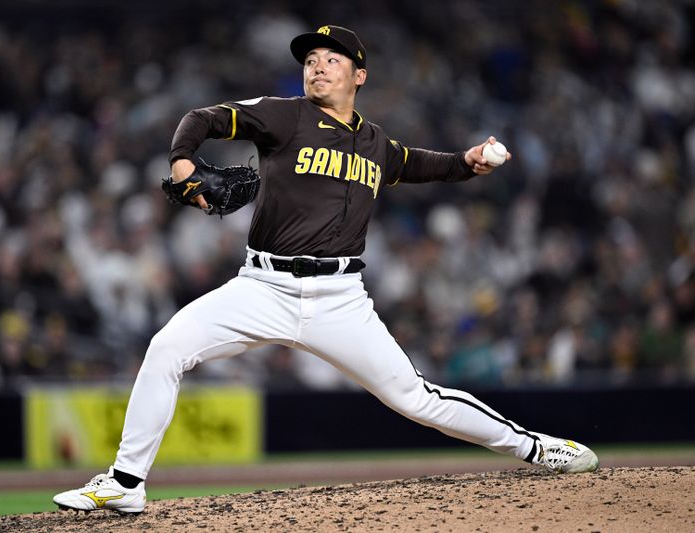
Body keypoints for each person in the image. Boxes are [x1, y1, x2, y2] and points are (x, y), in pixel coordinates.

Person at [53, 25, 598, 515]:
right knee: (167, 347)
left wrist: (467, 162)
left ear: (359, 75)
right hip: (262, 286)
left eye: (331, 59)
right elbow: (203, 119)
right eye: (310, 58)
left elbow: (418, 164)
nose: (316, 65)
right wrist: (182, 162)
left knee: (415, 398)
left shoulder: (375, 142)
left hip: (340, 298)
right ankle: (126, 482)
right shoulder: (284, 114)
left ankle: (536, 447)